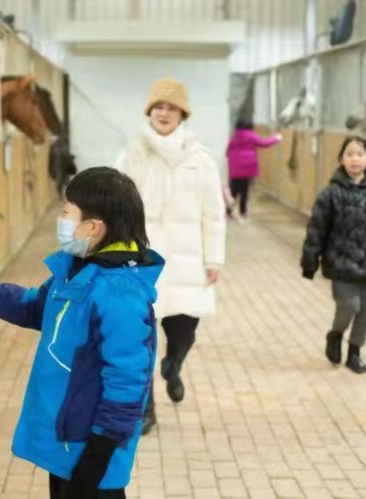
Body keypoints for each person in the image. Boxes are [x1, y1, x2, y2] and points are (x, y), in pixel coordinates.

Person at [0, 167, 163, 499]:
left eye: (66, 211)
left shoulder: (119, 294)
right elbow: (36, 307)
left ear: (93, 227)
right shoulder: (77, 270)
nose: (61, 218)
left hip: (91, 454)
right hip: (67, 444)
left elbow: (129, 381)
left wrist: (96, 459)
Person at [118, 77, 226, 434]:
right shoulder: (131, 155)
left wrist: (215, 260)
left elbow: (213, 212)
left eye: (172, 108)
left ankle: (173, 366)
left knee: (184, 332)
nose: (164, 114)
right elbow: (115, 207)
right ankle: (146, 407)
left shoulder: (200, 159)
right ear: (150, 112)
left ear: (183, 114)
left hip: (187, 260)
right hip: (142, 262)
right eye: (158, 107)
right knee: (139, 338)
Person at [301, 136, 366, 374]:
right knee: (350, 305)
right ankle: (336, 334)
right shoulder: (330, 194)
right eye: (349, 154)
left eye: (360, 154)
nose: (354, 159)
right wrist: (310, 261)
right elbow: (317, 228)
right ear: (342, 159)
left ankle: (354, 353)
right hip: (341, 263)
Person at [225, 119, 282, 222]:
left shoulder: (234, 136)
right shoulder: (251, 135)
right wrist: (276, 138)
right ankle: (243, 214)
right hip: (247, 169)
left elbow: (228, 151)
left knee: (233, 192)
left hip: (235, 169)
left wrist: (233, 161)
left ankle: (228, 213)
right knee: (244, 192)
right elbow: (264, 143)